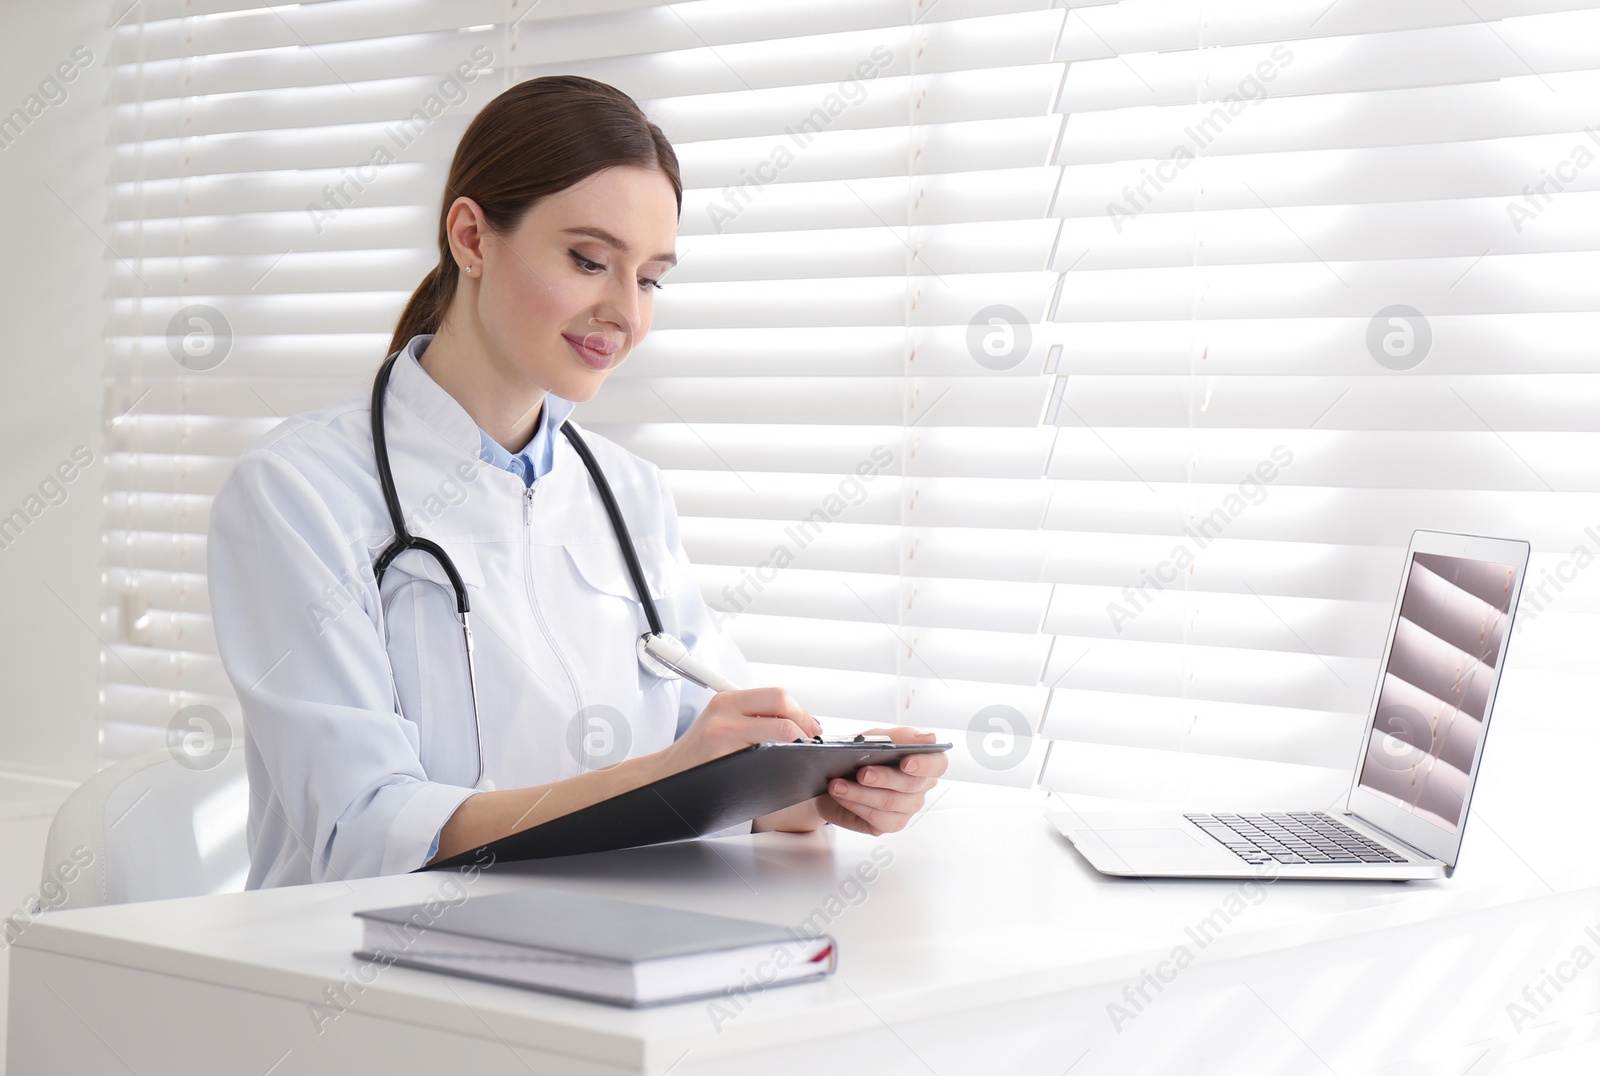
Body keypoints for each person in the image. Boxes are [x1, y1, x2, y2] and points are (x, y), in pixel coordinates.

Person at [207, 75, 946, 888]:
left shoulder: (628, 494)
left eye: (652, 277)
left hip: (594, 947)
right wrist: (664, 777)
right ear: (472, 238)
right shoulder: (297, 491)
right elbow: (364, 828)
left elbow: (710, 749)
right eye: (590, 260)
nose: (625, 311)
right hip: (355, 967)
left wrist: (820, 789)